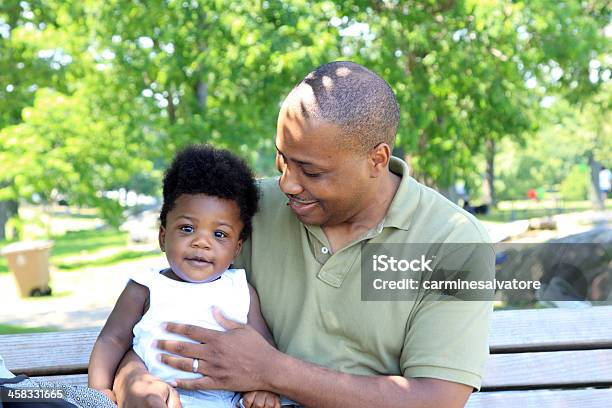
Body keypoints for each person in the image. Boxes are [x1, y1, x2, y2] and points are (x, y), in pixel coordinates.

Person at [113, 61, 494, 408]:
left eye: (311, 172)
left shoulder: (455, 243)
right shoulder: (248, 210)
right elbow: (159, 314)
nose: (288, 184)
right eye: (283, 159)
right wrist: (135, 381)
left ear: (377, 159)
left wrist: (272, 370)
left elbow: (435, 400)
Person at [88, 145, 284, 407]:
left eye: (220, 234)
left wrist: (262, 389)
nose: (201, 243)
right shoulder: (146, 287)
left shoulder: (240, 290)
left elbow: (264, 348)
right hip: (157, 397)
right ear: (163, 236)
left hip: (224, 401)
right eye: (187, 228)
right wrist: (98, 390)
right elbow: (111, 339)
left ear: (237, 248)